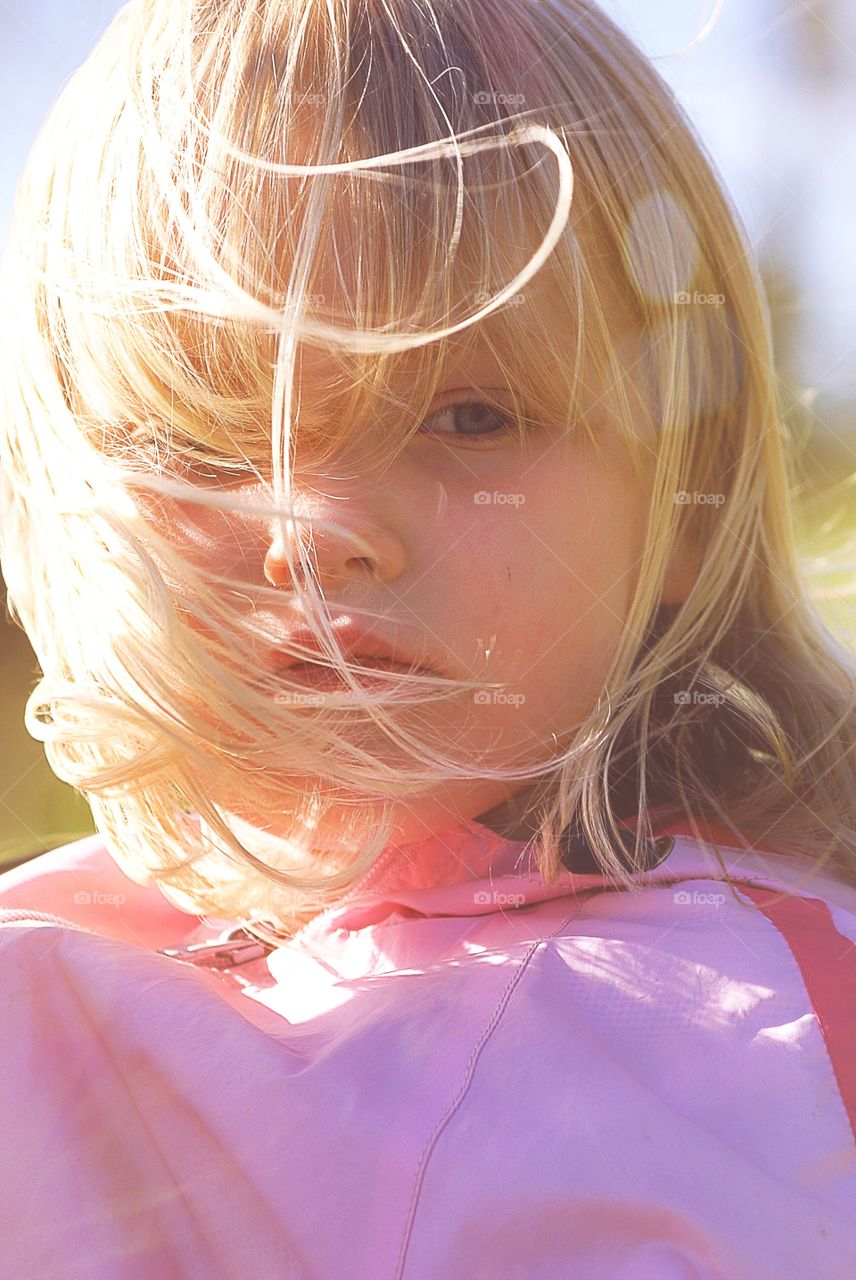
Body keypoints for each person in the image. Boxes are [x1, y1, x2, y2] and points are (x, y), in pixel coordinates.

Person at [1, 0, 855, 1275]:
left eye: (469, 416)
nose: (326, 527)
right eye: (209, 438)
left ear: (684, 498)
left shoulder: (783, 1052)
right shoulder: (49, 977)